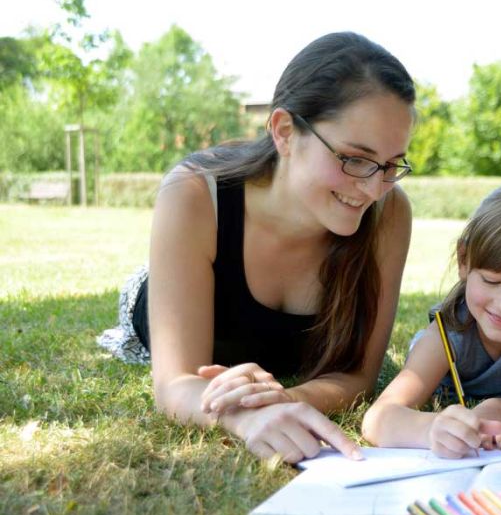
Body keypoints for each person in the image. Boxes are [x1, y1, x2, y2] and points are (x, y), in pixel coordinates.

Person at [97, 32, 416, 463]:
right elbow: (175, 383)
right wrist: (241, 418)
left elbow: (360, 375)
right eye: (354, 158)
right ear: (284, 131)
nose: (374, 188)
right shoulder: (194, 193)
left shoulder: (390, 213)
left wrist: (285, 400)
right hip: (157, 292)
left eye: (391, 164)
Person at [362, 180, 501, 458]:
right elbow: (379, 418)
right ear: (464, 261)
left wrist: (499, 409)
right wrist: (431, 428)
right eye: (492, 280)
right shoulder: (443, 337)